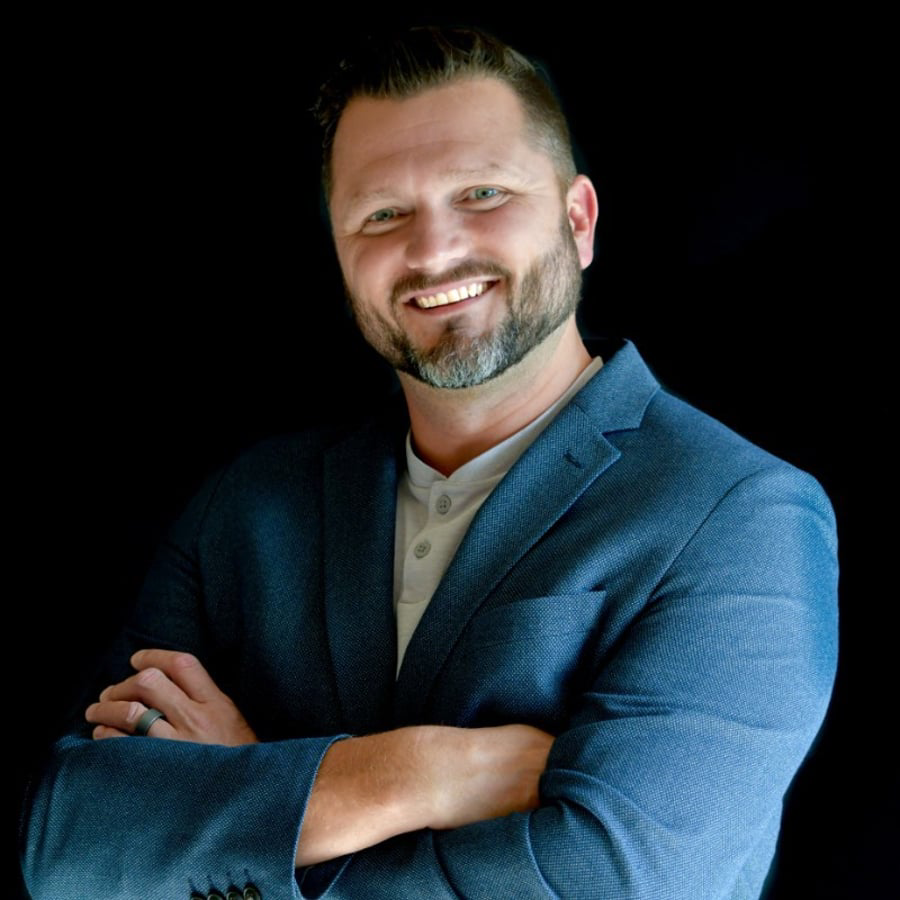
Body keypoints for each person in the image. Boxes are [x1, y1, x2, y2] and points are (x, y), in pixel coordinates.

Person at [20, 26, 838, 900]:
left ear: (579, 220)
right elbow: (66, 843)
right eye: (382, 214)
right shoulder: (248, 507)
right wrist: (426, 773)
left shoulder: (741, 511)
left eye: (482, 193)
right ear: (339, 254)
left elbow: (618, 881)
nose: (433, 250)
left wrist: (259, 800)